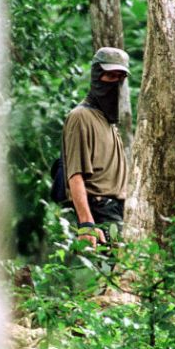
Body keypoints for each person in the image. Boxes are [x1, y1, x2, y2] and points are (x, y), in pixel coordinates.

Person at [62, 47, 129, 249]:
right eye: (109, 75)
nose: (114, 82)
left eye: (120, 77)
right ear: (97, 75)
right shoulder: (80, 117)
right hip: (101, 210)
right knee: (116, 271)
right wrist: (87, 224)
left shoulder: (109, 121)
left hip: (120, 209)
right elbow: (75, 175)